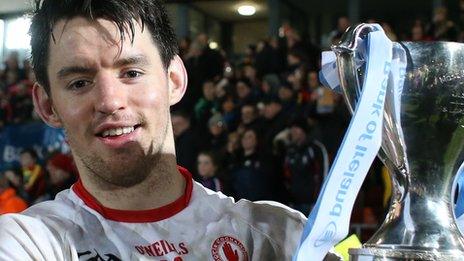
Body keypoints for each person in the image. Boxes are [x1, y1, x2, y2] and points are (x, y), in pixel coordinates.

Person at [0, 1, 341, 260]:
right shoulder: (28, 243)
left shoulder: (277, 237)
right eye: (79, 82)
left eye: (131, 72)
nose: (110, 101)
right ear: (47, 106)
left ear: (174, 80)